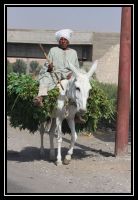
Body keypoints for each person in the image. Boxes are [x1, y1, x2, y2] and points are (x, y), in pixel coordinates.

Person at [34, 29, 85, 123]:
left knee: (80, 87)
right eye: (61, 39)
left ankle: (77, 114)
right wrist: (49, 67)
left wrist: (72, 74)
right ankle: (40, 97)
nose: (63, 41)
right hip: (54, 73)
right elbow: (46, 66)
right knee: (45, 77)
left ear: (68, 41)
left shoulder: (73, 53)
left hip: (68, 75)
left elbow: (76, 68)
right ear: (59, 41)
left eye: (65, 39)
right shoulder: (53, 50)